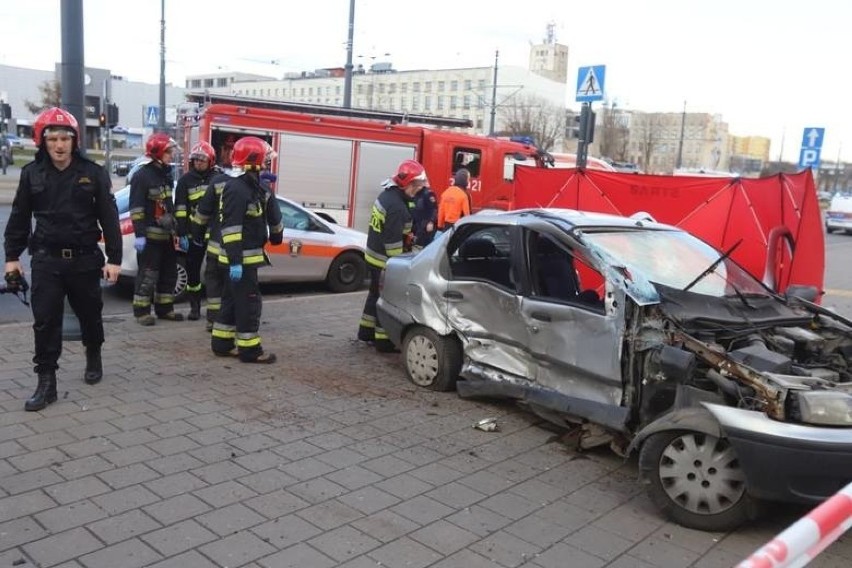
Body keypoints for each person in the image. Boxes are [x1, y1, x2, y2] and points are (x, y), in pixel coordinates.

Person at [3, 107, 121, 411]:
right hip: (46, 260)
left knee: (90, 315)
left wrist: (114, 259)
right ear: (42, 141)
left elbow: (109, 219)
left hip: (84, 261)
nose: (58, 145)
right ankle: (46, 382)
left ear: (74, 140)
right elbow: (19, 216)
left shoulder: (93, 173)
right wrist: (12, 256)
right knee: (45, 322)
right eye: (52, 138)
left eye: (64, 138)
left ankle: (93, 353)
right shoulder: (32, 174)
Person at [211, 136, 283, 363]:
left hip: (242, 260)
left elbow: (274, 216)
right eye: (265, 160)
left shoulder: (256, 187)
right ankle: (250, 350)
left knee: (231, 302)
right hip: (240, 261)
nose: (267, 164)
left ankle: (222, 344)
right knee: (249, 303)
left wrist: (277, 234)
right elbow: (231, 229)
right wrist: (235, 262)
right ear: (254, 161)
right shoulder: (237, 189)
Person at [358, 159, 426, 352]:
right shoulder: (397, 206)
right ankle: (383, 340)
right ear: (407, 183)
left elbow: (398, 229)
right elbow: (392, 244)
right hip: (383, 260)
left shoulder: (387, 195)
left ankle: (366, 332)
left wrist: (408, 234)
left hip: (373, 254)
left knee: (374, 296)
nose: (418, 191)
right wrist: (400, 265)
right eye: (416, 187)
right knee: (386, 300)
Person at [130, 133, 183, 325]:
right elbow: (136, 209)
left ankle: (165, 309)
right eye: (168, 152)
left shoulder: (165, 175)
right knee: (148, 275)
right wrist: (140, 235)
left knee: (170, 273)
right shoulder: (142, 176)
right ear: (158, 152)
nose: (171, 155)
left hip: (166, 237)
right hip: (150, 238)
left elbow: (168, 205)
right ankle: (141, 311)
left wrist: (176, 231)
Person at [175, 141, 218, 321]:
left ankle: (215, 310)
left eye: (202, 160)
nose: (198, 163)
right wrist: (182, 232)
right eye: (196, 160)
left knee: (214, 272)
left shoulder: (218, 179)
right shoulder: (185, 180)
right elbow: (181, 209)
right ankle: (195, 308)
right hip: (194, 234)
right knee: (193, 271)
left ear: (211, 161)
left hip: (214, 234)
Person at [411, 180, 438, 248]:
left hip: (425, 225)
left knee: (423, 245)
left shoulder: (428, 194)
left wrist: (431, 222)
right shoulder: (415, 194)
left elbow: (434, 208)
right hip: (416, 224)